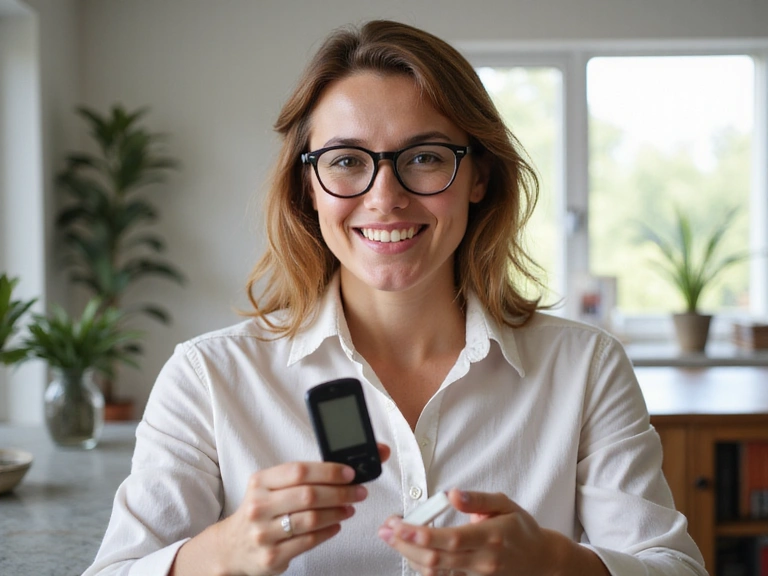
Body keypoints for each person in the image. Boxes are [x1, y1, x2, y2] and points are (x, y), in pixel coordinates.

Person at [83, 20, 706, 576]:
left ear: (480, 178)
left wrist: (557, 564)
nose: (385, 197)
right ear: (309, 186)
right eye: (347, 161)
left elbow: (673, 567)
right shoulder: (207, 378)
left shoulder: (585, 367)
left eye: (426, 158)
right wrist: (222, 555)